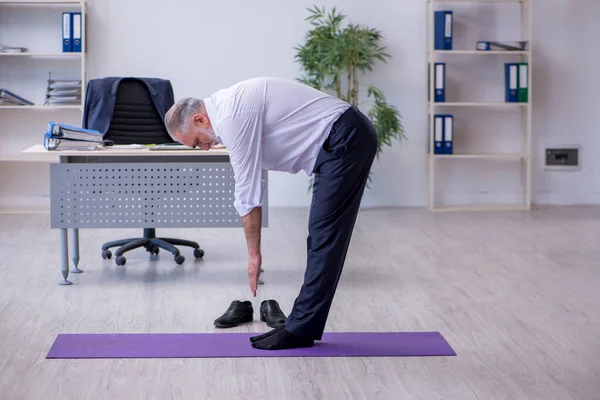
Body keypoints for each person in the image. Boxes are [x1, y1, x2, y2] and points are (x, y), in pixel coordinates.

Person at [164, 77, 378, 350]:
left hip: (345, 139)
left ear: (199, 120)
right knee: (322, 236)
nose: (205, 148)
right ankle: (300, 326)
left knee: (325, 237)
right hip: (341, 141)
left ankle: (300, 330)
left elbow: (248, 195)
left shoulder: (231, 117)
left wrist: (254, 256)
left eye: (197, 143)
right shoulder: (227, 108)